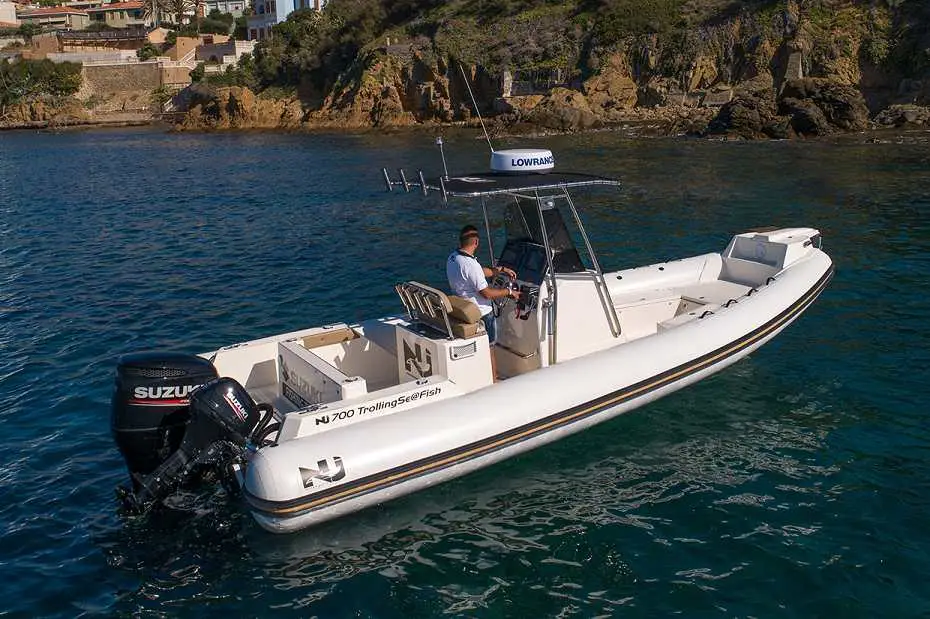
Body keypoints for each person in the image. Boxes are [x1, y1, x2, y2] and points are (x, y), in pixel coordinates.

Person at [446, 225, 520, 378]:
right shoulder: (470, 265)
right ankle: (493, 381)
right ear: (476, 242)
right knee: (489, 349)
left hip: (464, 310)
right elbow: (486, 293)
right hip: (482, 314)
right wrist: (509, 292)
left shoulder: (453, 258)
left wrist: (501, 269)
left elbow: (477, 273)